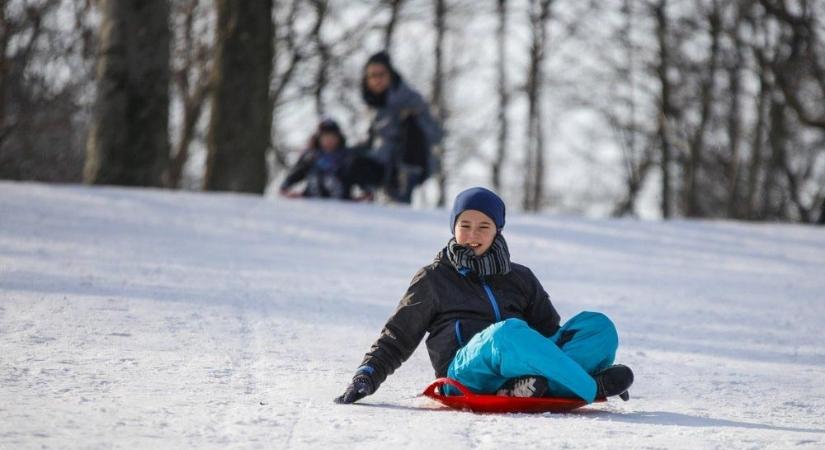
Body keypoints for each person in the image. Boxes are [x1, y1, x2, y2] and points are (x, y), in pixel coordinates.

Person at [335, 187, 634, 404]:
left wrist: (594, 359)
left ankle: (530, 386)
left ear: (497, 231)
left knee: (598, 325)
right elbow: (397, 336)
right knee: (509, 333)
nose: (473, 235)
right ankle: (590, 388)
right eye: (464, 226)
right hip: (465, 370)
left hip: (520, 366)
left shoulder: (520, 277)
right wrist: (366, 375)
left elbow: (549, 335)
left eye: (483, 227)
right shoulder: (434, 278)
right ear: (453, 227)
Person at [346, 51, 443, 203]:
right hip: (382, 159)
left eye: (381, 74)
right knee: (347, 158)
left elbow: (435, 135)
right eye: (372, 76)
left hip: (411, 161)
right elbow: (369, 139)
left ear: (390, 75)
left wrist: (412, 120)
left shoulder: (409, 98)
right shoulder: (373, 105)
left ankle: (403, 186)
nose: (376, 80)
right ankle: (362, 195)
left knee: (411, 125)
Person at [280, 118, 353, 200]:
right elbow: (297, 172)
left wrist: (366, 191)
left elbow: (358, 174)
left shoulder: (347, 157)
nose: (329, 140)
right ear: (319, 138)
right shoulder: (310, 156)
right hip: (312, 201)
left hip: (341, 201)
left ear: (339, 138)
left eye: (333, 137)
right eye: (325, 137)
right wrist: (285, 186)